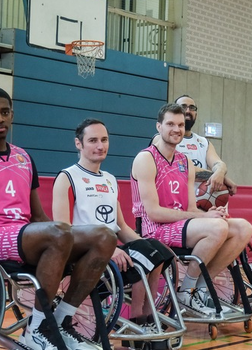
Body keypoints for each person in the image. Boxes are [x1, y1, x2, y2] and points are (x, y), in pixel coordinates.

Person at [0, 87, 116, 350]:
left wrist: (66, 241)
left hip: (23, 235)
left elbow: (38, 217)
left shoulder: (24, 157)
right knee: (59, 231)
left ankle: (60, 320)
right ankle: (37, 330)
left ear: (12, 116)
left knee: (104, 237)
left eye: (4, 112)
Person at [131, 103, 252, 316]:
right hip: (155, 230)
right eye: (170, 124)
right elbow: (154, 213)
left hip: (181, 226)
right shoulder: (146, 158)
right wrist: (206, 219)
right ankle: (186, 292)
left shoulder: (184, 161)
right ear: (158, 127)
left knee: (243, 228)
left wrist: (210, 214)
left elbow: (189, 208)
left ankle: (201, 289)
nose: (176, 129)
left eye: (180, 124)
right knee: (216, 228)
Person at [52, 118, 172, 330]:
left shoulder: (109, 179)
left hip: (111, 252)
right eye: (93, 140)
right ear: (78, 144)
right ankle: (137, 320)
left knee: (156, 251)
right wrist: (108, 249)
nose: (100, 145)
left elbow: (122, 228)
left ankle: (150, 316)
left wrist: (152, 246)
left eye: (104, 140)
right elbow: (63, 232)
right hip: (84, 256)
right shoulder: (67, 177)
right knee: (142, 256)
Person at [152, 95, 237, 196]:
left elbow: (218, 163)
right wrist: (218, 176)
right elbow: (179, 169)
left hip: (201, 203)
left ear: (196, 114)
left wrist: (221, 171)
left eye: (192, 108)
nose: (188, 110)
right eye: (183, 106)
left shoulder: (204, 142)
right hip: (173, 203)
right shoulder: (162, 138)